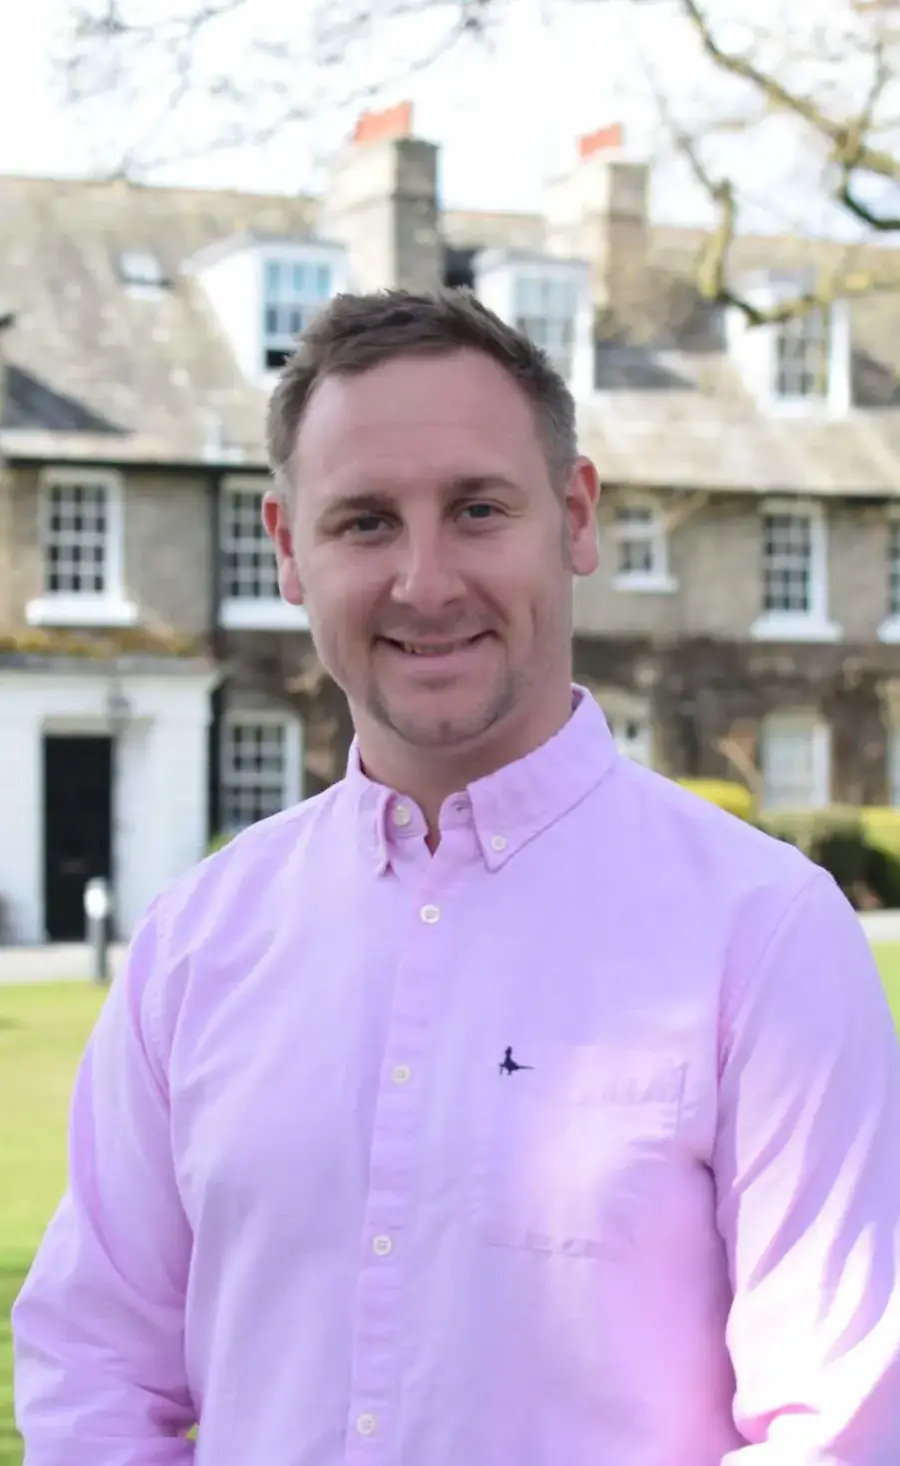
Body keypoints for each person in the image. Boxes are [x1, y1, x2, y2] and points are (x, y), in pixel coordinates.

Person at [13, 288, 900, 1466]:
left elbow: (832, 1424)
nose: (425, 582)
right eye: (366, 521)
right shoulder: (195, 944)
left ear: (574, 518)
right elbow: (94, 1367)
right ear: (286, 547)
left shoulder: (764, 933)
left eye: (478, 508)